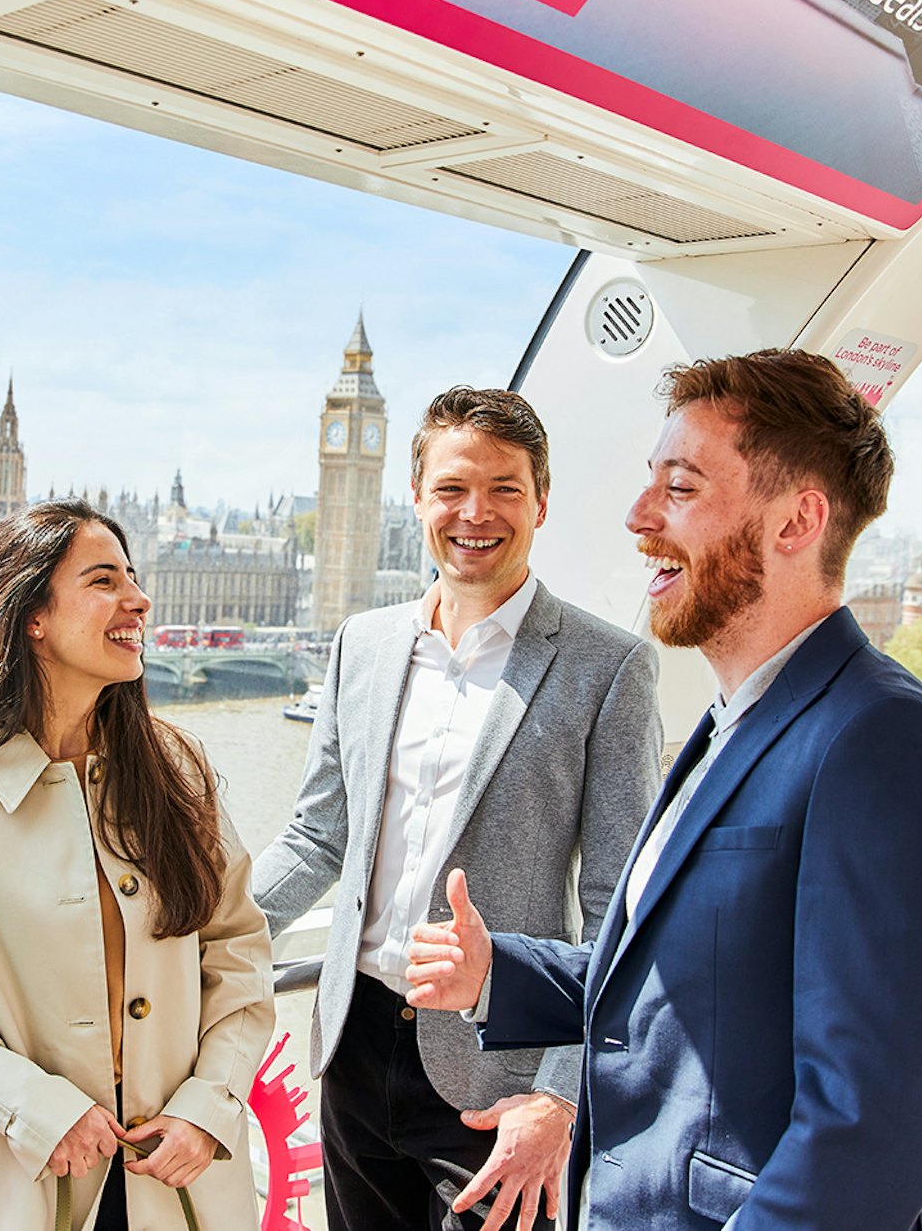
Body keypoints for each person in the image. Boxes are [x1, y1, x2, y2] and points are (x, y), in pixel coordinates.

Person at [406, 351, 922, 1231]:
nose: (638, 516)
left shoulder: (890, 748)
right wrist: (500, 972)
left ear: (797, 521)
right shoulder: (734, 725)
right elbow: (686, 988)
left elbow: (879, 1128)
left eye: (679, 490)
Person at [253, 386, 662, 1231]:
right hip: (355, 1046)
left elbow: (620, 911)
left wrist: (560, 1096)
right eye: (452, 488)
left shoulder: (608, 668)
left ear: (540, 502)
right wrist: (195, 938)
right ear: (418, 498)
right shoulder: (360, 646)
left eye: (504, 489)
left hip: (499, 1078)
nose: (476, 513)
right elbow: (316, 834)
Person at [0, 498, 274, 1231]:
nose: (140, 598)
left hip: (181, 1175)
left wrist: (209, 1105)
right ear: (31, 617)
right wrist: (29, 1105)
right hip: (22, 1174)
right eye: (104, 581)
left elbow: (238, 952)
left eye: (134, 575)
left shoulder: (177, 771)